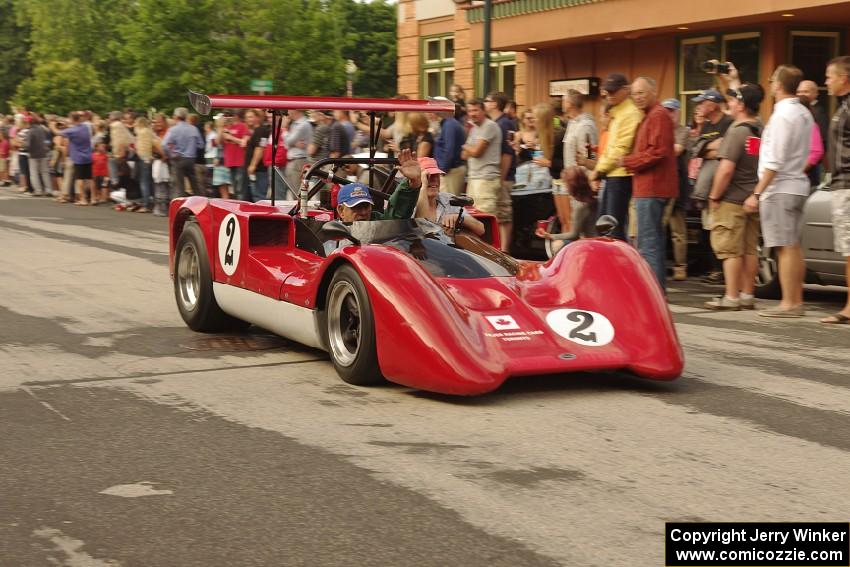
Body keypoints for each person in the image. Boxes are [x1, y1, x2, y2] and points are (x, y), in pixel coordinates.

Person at [744, 65, 812, 318]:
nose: (771, 84)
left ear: (779, 85)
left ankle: (790, 303)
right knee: (791, 245)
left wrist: (757, 193)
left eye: (773, 80)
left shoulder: (783, 114)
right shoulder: (803, 113)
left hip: (780, 186)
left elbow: (775, 159)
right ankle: (795, 300)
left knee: (784, 246)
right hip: (795, 183)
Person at [703, 84, 765, 311]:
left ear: (740, 105)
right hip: (751, 195)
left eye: (732, 100)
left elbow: (726, 169)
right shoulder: (758, 128)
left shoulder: (737, 131)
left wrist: (714, 195)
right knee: (749, 249)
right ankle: (747, 294)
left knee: (730, 249)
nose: (728, 103)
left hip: (731, 198)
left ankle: (731, 296)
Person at [621, 76, 678, 289]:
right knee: (650, 241)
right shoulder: (651, 116)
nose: (637, 98)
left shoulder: (658, 115)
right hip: (648, 188)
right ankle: (655, 291)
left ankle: (654, 293)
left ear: (654, 92)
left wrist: (628, 161)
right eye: (634, 94)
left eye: (641, 93)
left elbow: (658, 152)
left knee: (649, 243)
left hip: (652, 188)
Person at [589, 73, 643, 241]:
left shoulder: (630, 113)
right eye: (608, 92)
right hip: (612, 174)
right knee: (604, 226)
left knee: (613, 228)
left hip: (621, 175)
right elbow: (611, 148)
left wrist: (598, 170)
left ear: (625, 90)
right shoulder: (618, 112)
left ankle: (618, 264)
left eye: (613, 91)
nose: (610, 95)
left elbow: (620, 149)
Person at [820, 55, 850, 324]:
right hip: (841, 183)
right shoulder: (842, 106)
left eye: (830, 76)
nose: (826, 82)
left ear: (844, 78)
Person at [462, 98, 511, 252]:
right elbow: (464, 154)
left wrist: (467, 147)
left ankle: (491, 253)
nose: (472, 114)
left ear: (483, 111)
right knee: (476, 216)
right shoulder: (475, 128)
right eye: (470, 111)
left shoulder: (489, 126)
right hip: (475, 177)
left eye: (476, 110)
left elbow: (476, 152)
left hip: (486, 179)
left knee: (485, 219)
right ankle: (491, 252)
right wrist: (469, 149)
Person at [335, 149, 422, 222]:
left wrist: (412, 183)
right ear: (341, 210)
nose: (363, 212)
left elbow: (396, 216)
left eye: (366, 206)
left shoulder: (378, 224)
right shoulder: (331, 234)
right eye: (356, 207)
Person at [414, 156, 485, 236]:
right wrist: (423, 187)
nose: (434, 180)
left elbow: (481, 229)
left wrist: (459, 218)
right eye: (428, 176)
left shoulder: (448, 199)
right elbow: (423, 230)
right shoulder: (409, 204)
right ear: (417, 179)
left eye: (437, 175)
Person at [535, 166, 598, 255]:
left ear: (572, 186)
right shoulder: (595, 200)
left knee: (556, 246)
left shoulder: (581, 208)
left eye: (566, 184)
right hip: (598, 243)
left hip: (590, 246)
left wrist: (550, 236)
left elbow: (574, 235)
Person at [661, 98, 691, 281]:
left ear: (678, 112)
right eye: (666, 110)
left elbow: (677, 150)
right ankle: (661, 263)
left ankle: (681, 266)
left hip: (678, 183)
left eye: (671, 111)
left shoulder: (683, 131)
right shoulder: (661, 129)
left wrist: (657, 150)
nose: (668, 114)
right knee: (659, 227)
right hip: (662, 184)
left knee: (677, 230)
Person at [561, 89, 598, 235]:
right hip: (572, 182)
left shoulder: (585, 125)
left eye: (564, 100)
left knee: (585, 227)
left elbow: (590, 155)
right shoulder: (572, 124)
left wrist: (590, 180)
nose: (562, 104)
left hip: (582, 183)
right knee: (577, 225)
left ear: (570, 104)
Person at [485, 91, 517, 249]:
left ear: (495, 104)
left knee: (504, 213)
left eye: (487, 100)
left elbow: (507, 153)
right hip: (498, 175)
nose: (485, 103)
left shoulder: (504, 124)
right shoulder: (495, 123)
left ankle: (504, 249)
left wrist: (502, 177)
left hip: (503, 176)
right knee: (498, 212)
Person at [51, 112, 94, 205]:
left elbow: (58, 132)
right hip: (88, 155)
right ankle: (93, 198)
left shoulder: (72, 131)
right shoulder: (85, 127)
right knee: (90, 178)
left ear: (72, 120)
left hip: (78, 157)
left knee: (80, 179)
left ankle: (83, 199)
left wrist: (52, 125)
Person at [162, 107, 205, 199]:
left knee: (179, 185)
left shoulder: (173, 130)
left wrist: (171, 154)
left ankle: (180, 207)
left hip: (178, 158)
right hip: (191, 159)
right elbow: (201, 145)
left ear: (176, 117)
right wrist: (192, 148)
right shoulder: (193, 129)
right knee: (195, 185)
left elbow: (164, 144)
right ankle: (199, 205)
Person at [431, 102, 466, 196]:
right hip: (450, 169)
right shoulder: (448, 123)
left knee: (448, 203)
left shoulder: (450, 124)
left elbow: (449, 149)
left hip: (451, 171)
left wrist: (443, 170)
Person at [284, 109, 312, 196]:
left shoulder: (303, 124)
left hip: (298, 161)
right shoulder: (294, 124)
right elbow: (287, 144)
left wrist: (284, 129)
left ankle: (299, 209)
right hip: (293, 160)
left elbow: (289, 141)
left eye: (289, 109)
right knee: (293, 191)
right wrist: (294, 143)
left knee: (297, 192)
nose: (287, 112)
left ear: (295, 110)